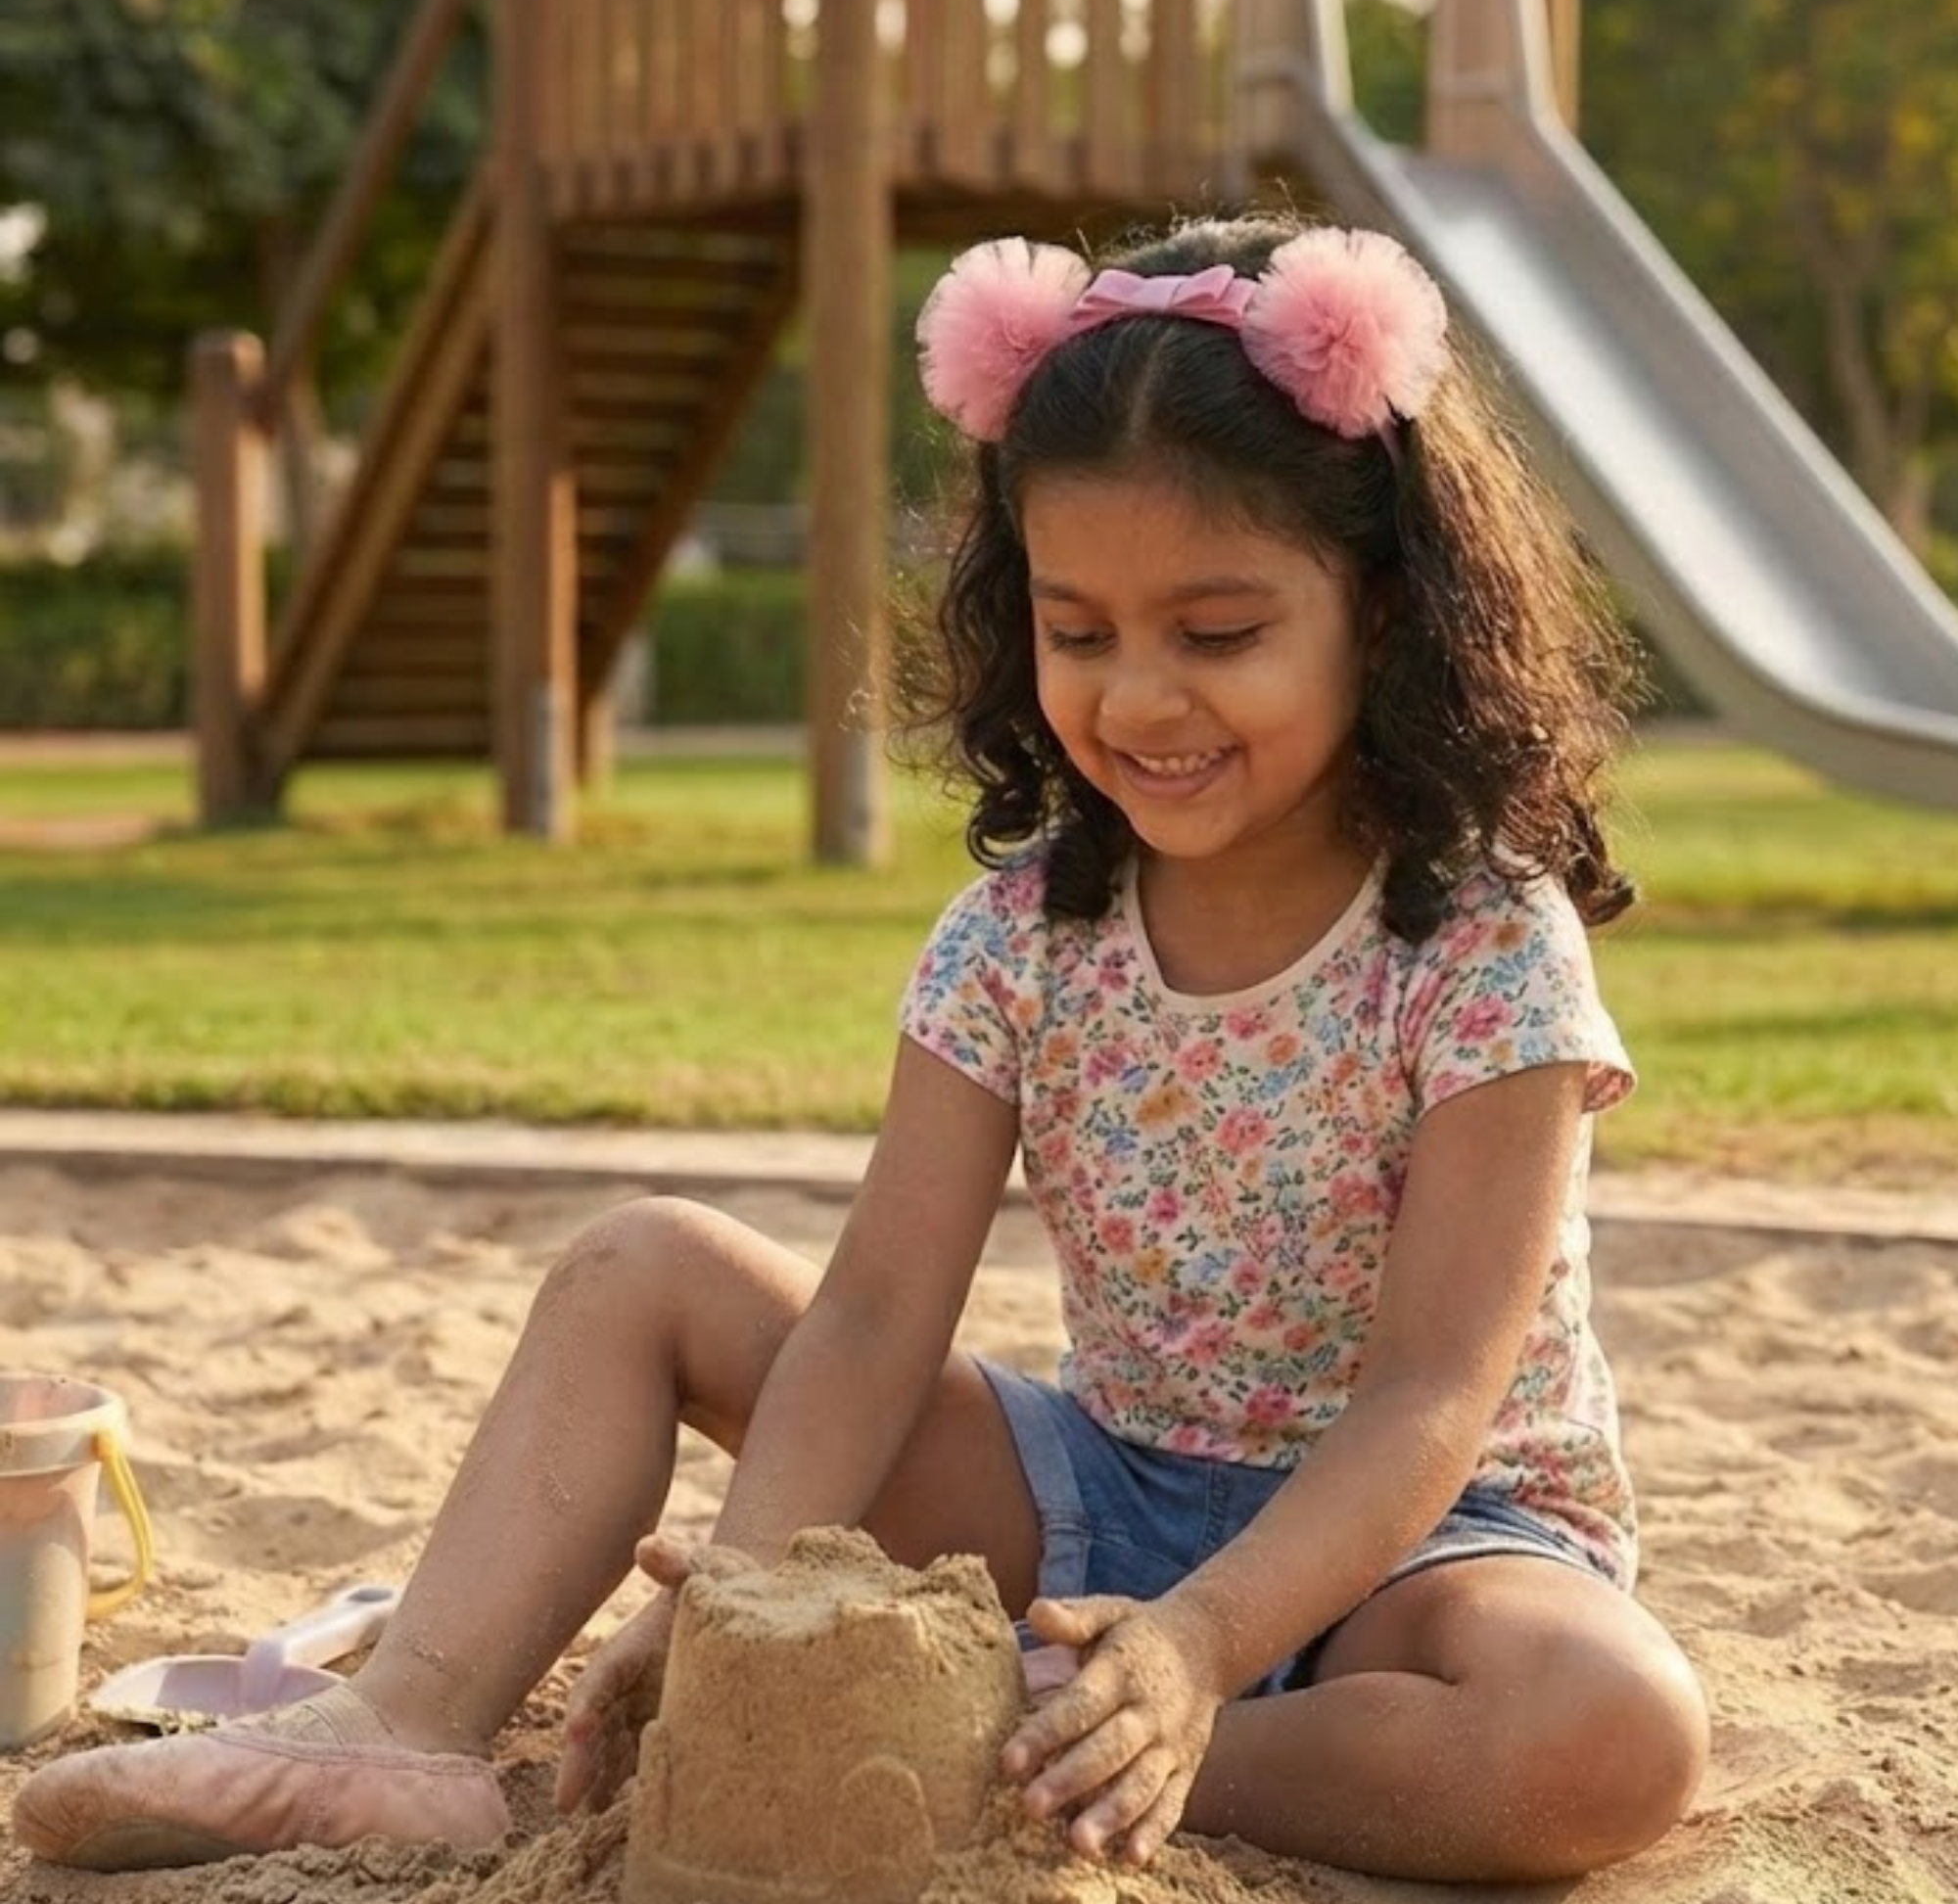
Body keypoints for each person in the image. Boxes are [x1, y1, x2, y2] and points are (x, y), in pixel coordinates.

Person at [16, 211, 1708, 1882]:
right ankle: (406, 1727)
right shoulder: (1021, 939)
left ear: (1389, 617)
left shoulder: (1485, 948)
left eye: (1219, 634)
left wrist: (1191, 1652)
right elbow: (879, 1321)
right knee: (643, 1267)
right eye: (1077, 629)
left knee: (1608, 1731)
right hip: (1093, 1499)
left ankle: (1001, 1751)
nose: (1138, 701)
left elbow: (1430, 1398)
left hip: (1427, 1558)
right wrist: (752, 1626)